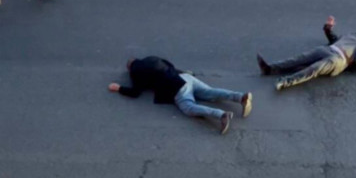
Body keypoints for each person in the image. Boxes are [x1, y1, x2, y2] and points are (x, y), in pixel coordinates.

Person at [108, 56, 253, 135]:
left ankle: (221, 115)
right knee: (210, 92)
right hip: (185, 77)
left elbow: (135, 93)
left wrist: (119, 88)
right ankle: (240, 97)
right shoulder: (152, 58)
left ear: (129, 68)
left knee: (188, 107)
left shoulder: (136, 72)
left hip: (177, 89)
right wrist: (187, 73)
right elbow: (170, 65)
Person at [257, 16, 356, 90]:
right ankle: (270, 68)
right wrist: (328, 28)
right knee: (300, 59)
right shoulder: (354, 35)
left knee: (313, 69)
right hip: (328, 49)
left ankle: (285, 82)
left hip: (339, 59)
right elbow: (335, 39)